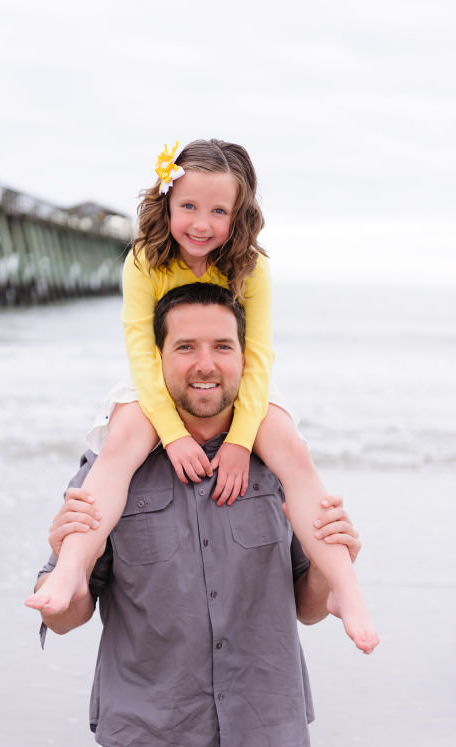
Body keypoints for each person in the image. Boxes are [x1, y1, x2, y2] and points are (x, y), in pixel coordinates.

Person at [26, 139, 377, 654]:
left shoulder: (251, 269)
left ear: (240, 215)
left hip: (244, 391)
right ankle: (72, 570)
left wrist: (238, 441)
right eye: (188, 206)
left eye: (219, 210)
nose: (201, 223)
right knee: (120, 445)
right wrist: (171, 436)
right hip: (154, 382)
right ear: (165, 203)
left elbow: (256, 360)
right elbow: (143, 357)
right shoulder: (144, 260)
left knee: (295, 454)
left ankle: (345, 587)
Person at [31, 283, 367, 745]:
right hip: (148, 729)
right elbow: (63, 620)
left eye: (222, 347)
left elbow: (308, 610)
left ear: (246, 358)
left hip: (267, 725)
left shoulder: (278, 462)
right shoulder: (110, 468)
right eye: (185, 347)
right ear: (157, 359)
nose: (205, 364)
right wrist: (64, 560)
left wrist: (334, 570)